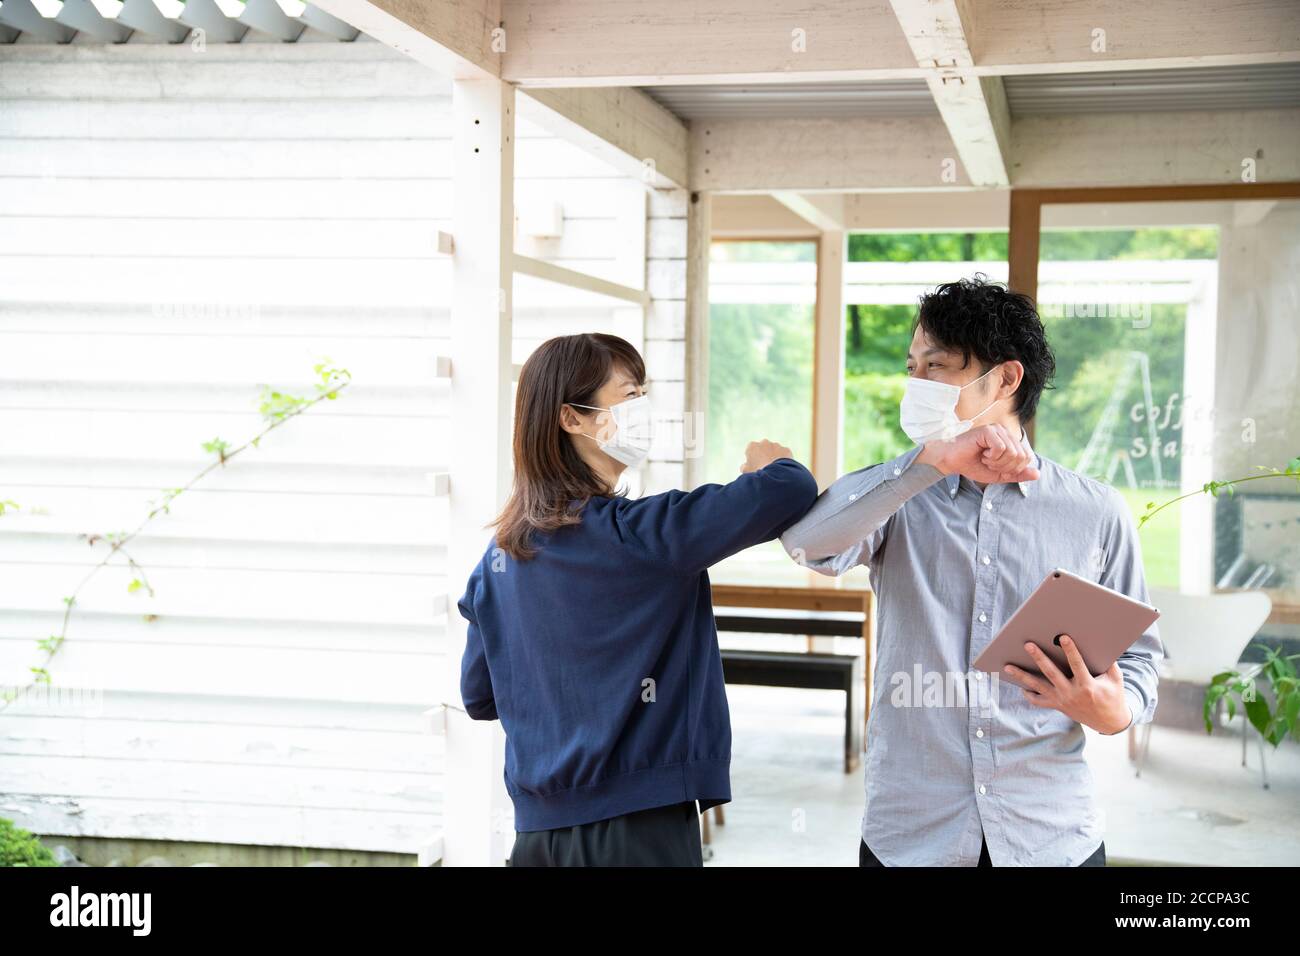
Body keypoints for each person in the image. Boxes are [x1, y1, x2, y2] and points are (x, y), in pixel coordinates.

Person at [780, 275, 1165, 867]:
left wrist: (1116, 710)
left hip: (1049, 834)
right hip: (912, 834)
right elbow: (808, 545)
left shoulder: (1095, 510)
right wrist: (926, 465)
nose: (916, 383)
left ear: (1006, 379)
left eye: (936, 366)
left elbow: (1139, 658)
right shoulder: (898, 494)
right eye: (911, 366)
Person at [457, 332, 818, 866]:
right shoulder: (643, 536)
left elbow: (480, 697)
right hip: (638, 833)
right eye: (629, 396)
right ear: (571, 419)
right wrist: (772, 464)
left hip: (536, 837)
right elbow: (789, 489)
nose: (644, 410)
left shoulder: (499, 559)